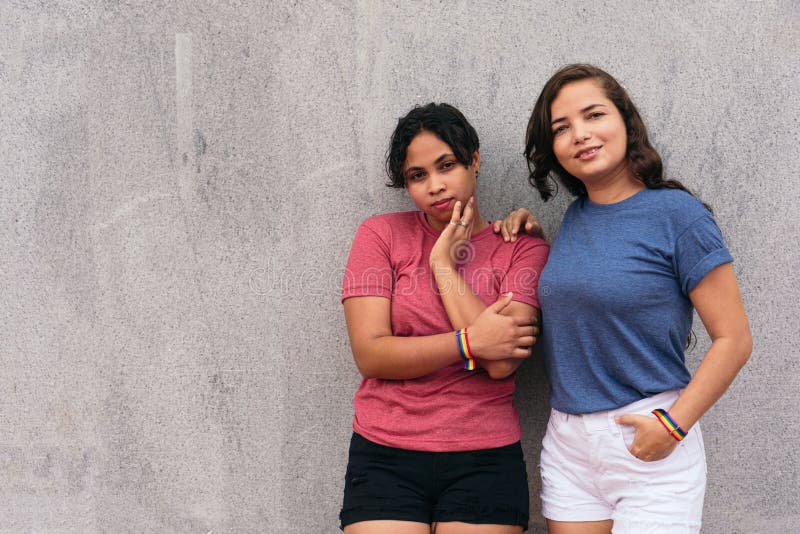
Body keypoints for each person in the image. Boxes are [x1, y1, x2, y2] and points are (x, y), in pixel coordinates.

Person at [493, 64, 752, 533]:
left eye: (593, 115)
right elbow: (586, 294)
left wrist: (673, 426)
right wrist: (530, 237)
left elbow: (734, 339)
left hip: (651, 438)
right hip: (569, 445)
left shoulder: (678, 215)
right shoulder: (573, 220)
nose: (580, 134)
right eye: (562, 128)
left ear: (625, 121)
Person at [339, 103, 550, 533]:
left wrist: (443, 266)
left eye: (447, 165)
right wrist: (468, 343)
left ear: (473, 159)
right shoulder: (380, 235)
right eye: (418, 176)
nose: (435, 186)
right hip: (385, 450)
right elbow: (372, 354)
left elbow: (502, 362)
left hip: (485, 455)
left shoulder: (522, 247)